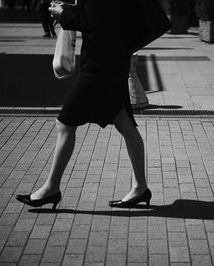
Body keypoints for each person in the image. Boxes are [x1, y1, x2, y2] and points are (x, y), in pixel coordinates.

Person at [16, 0, 151, 209]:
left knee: (65, 123)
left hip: (101, 68)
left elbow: (97, 22)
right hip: (112, 62)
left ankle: (51, 188)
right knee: (125, 125)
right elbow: (101, 15)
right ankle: (140, 188)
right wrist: (70, 8)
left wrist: (65, 15)